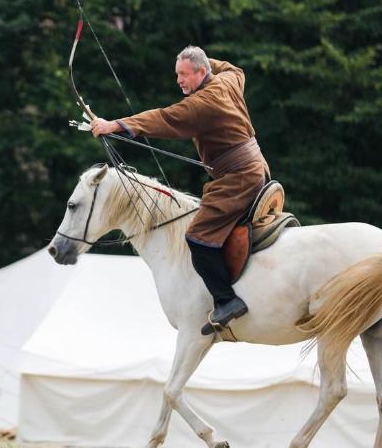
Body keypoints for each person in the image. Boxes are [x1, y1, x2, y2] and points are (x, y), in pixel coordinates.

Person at [91, 46, 270, 336]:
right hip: (255, 168)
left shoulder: (203, 102)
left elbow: (163, 118)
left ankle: (227, 301)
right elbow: (231, 67)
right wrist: (202, 60)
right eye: (177, 74)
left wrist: (114, 125)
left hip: (238, 179)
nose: (179, 80)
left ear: (201, 72)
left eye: (184, 74)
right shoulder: (229, 79)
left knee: (198, 238)